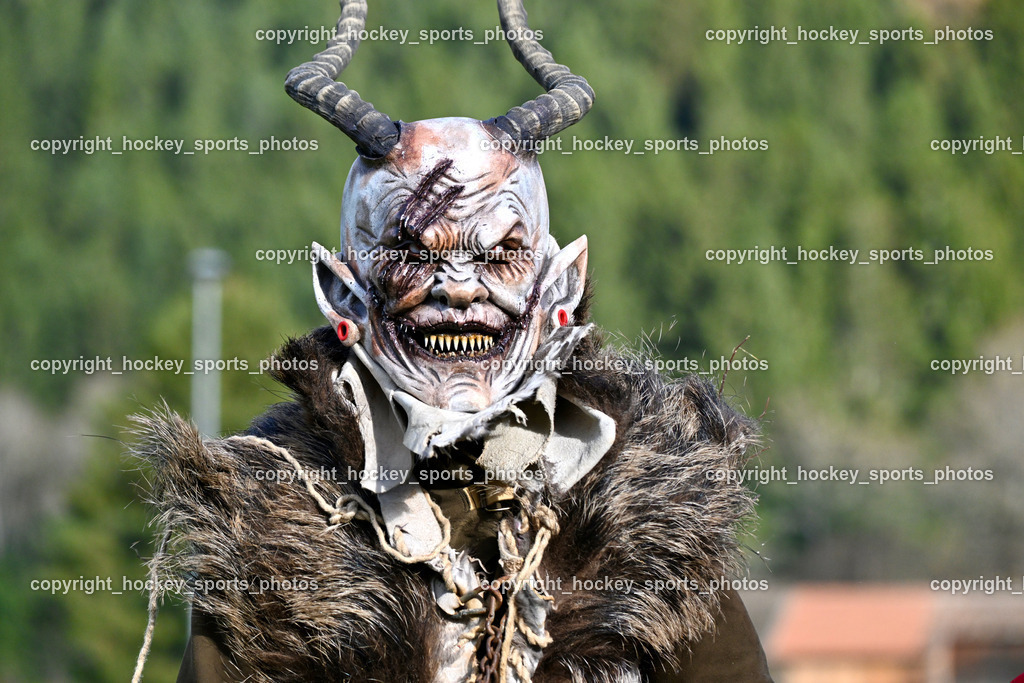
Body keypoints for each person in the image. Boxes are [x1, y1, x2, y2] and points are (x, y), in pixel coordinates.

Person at [134, 1, 773, 680]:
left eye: (500, 255)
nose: (461, 287)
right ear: (343, 291)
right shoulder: (271, 523)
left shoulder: (648, 519)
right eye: (414, 255)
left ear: (560, 283)